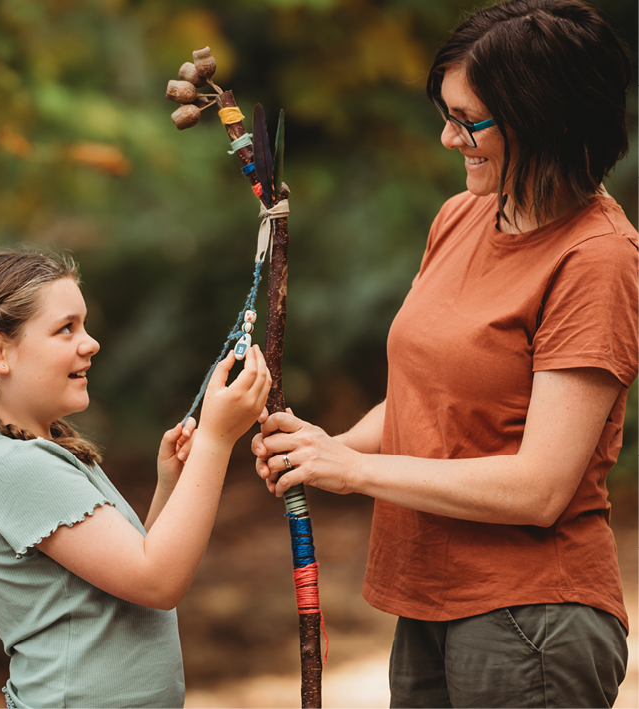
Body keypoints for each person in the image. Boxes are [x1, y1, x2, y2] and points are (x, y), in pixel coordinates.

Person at [252, 1, 638, 707]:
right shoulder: (460, 215)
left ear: (544, 117)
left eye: (467, 120)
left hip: (529, 619)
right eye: (446, 114)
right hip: (428, 602)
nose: (444, 137)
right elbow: (424, 399)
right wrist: (325, 449)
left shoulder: (595, 258)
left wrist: (356, 469)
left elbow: (539, 488)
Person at [0, 250, 271, 709]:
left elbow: (132, 579)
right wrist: (215, 440)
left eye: (84, 325)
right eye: (65, 328)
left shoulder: (41, 454)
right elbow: (159, 582)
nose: (89, 343)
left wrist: (170, 487)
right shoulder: (15, 468)